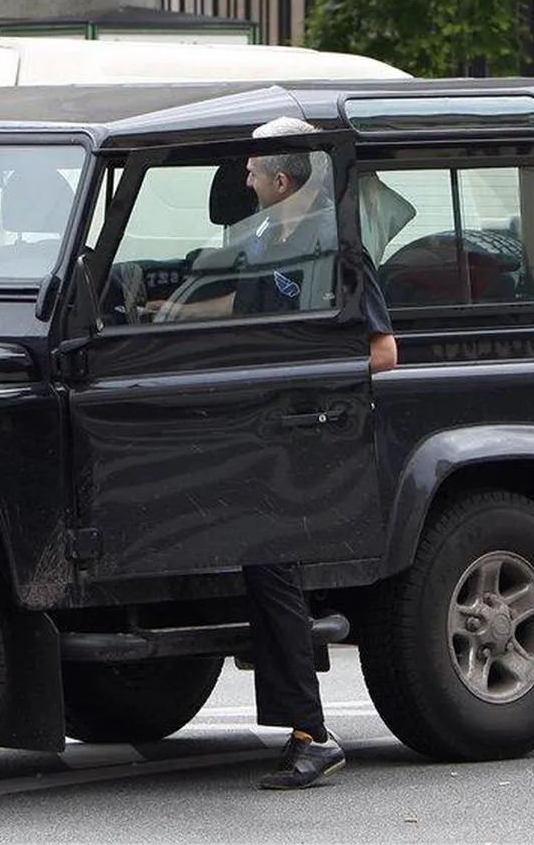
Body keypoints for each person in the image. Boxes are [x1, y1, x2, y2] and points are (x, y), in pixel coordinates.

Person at [152, 117, 398, 790]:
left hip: (302, 439)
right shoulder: (265, 239)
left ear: (283, 181)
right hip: (255, 436)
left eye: (254, 170)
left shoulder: (338, 250)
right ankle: (302, 729)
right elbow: (250, 305)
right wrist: (175, 313)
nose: (245, 177)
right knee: (261, 572)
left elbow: (382, 350)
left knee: (274, 571)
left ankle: (311, 735)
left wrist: (304, 385)